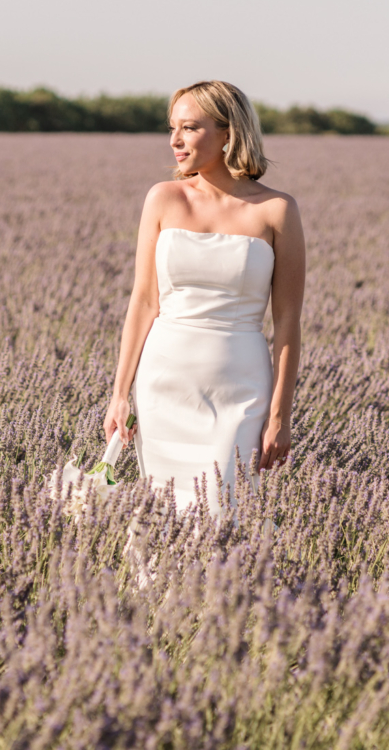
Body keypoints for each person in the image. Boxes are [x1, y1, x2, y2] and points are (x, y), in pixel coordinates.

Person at [104, 80, 306, 512]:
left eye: (190, 128)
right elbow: (143, 301)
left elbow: (287, 322)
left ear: (229, 132)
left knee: (221, 515)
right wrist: (120, 393)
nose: (175, 140)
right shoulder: (162, 198)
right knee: (162, 519)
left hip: (240, 389)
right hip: (163, 387)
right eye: (172, 127)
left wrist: (279, 417)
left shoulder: (277, 210)